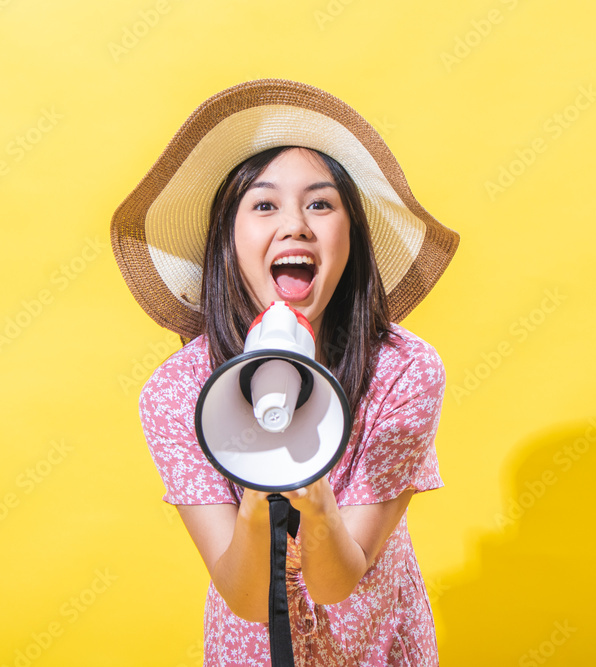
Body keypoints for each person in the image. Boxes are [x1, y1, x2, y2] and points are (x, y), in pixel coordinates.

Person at [110, 79, 460, 666]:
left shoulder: (405, 372)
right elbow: (246, 597)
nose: (295, 225)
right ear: (228, 237)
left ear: (352, 238)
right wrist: (256, 482)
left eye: (321, 204)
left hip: (378, 649)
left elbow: (335, 582)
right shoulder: (177, 394)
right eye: (265, 204)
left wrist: (312, 492)